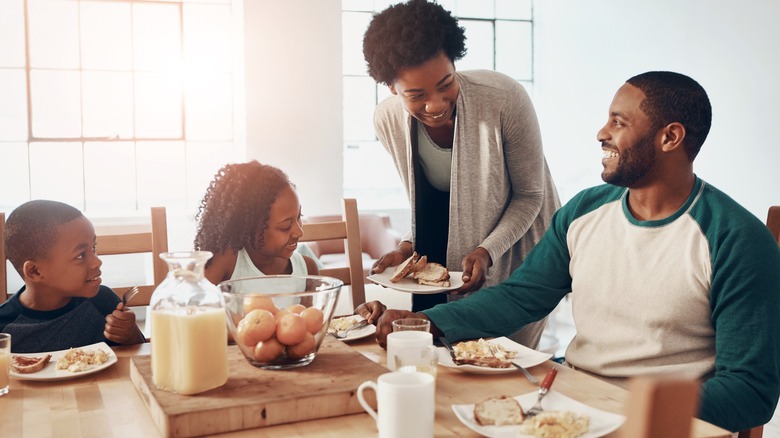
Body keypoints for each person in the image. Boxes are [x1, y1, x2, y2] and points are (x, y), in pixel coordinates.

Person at [360, 71, 780, 432]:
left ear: (670, 137)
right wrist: (425, 322)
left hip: (650, 425)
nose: (602, 132)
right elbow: (522, 295)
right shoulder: (585, 209)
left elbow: (750, 391)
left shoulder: (737, 240)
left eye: (618, 122)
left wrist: (629, 409)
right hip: (571, 400)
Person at [362, 0, 560, 348]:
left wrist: (487, 251)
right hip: (446, 252)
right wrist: (409, 246)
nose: (436, 104)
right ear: (392, 88)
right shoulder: (387, 120)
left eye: (446, 83)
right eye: (416, 95)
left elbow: (530, 195)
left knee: (501, 359)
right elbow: (431, 201)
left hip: (519, 247)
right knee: (432, 352)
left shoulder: (504, 99)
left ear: (455, 63)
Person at [0, 200, 146, 353]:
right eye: (81, 255)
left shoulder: (103, 302)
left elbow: (140, 355)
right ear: (35, 271)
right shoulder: (4, 327)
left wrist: (129, 334)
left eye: (94, 248)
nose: (97, 261)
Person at [194, 161, 319, 305]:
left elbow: (310, 323)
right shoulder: (227, 262)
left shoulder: (306, 269)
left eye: (299, 217)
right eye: (285, 226)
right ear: (248, 227)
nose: (299, 232)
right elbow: (194, 311)